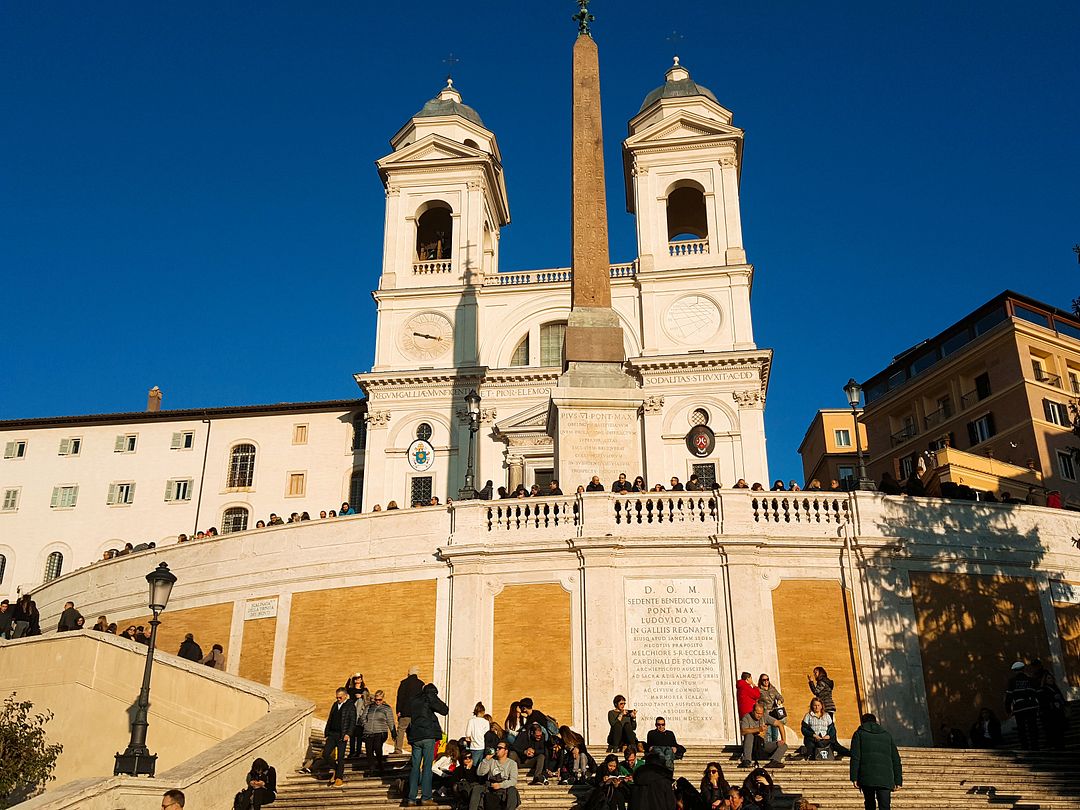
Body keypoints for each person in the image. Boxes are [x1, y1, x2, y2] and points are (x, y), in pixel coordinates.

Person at [406, 682, 449, 806]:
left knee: (415, 767)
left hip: (415, 737)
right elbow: (444, 710)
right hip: (427, 736)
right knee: (427, 767)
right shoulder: (430, 696)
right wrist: (434, 697)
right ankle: (426, 797)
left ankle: (411, 798)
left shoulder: (414, 700)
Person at [849, 713, 902, 810]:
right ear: (875, 721)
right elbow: (896, 759)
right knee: (885, 806)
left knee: (869, 804)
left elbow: (855, 757)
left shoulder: (859, 734)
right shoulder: (887, 735)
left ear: (863, 722)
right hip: (885, 777)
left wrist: (854, 777)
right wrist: (898, 780)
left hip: (866, 776)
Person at [323, 687, 357, 788]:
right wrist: (327, 731)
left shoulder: (350, 706)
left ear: (345, 696)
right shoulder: (335, 705)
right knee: (325, 754)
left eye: (340, 698)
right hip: (332, 734)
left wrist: (348, 734)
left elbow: (352, 721)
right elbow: (330, 718)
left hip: (342, 735)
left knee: (341, 757)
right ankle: (337, 769)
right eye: (337, 697)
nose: (338, 699)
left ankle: (339, 778)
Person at [739, 702, 787, 769]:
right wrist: (758, 729)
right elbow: (743, 731)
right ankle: (747, 760)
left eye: (761, 714)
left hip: (763, 745)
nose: (759, 715)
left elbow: (780, 724)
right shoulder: (746, 718)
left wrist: (783, 740)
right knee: (749, 735)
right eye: (757, 713)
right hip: (752, 746)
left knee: (783, 745)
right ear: (753, 711)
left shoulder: (764, 717)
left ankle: (775, 761)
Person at [1004, 660, 1040, 750]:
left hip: (1019, 708)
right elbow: (1036, 693)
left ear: (1014, 671)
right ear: (1023, 669)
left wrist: (1008, 709)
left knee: (1021, 729)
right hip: (1032, 706)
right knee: (1033, 727)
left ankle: (1025, 747)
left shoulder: (1012, 681)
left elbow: (1009, 696)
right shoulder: (1031, 680)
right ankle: (1035, 747)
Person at [474, 741, 520, 810]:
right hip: (491, 787)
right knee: (477, 788)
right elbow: (480, 773)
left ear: (506, 751)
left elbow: (513, 781)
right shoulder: (491, 761)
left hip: (504, 788)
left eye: (500, 748)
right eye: (497, 748)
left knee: (512, 790)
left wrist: (500, 785)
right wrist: (486, 760)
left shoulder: (512, 763)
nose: (497, 749)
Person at [363, 689, 397, 775]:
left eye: (380, 700)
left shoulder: (386, 708)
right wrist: (365, 724)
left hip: (381, 731)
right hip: (369, 731)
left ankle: (380, 765)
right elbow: (363, 716)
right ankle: (372, 768)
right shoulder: (369, 707)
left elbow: (390, 721)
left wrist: (393, 732)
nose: (377, 701)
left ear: (383, 699)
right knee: (369, 750)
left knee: (378, 748)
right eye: (376, 699)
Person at [396, 666, 425, 753]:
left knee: (401, 730)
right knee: (414, 732)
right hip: (416, 713)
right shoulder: (421, 684)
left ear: (409, 673)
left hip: (405, 712)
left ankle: (398, 749)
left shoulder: (404, 683)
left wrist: (398, 710)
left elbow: (400, 697)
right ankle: (415, 750)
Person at [1038, 670, 1068, 749]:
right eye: (1048, 678)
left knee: (1060, 733)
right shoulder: (1043, 690)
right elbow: (1043, 703)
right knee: (1055, 733)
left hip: (1059, 714)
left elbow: (1061, 699)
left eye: (1051, 678)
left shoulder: (1055, 688)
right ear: (1045, 680)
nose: (1051, 680)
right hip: (1051, 715)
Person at [756, 675, 785, 744]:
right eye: (764, 680)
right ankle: (769, 748)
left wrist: (779, 700)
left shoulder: (772, 689)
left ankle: (774, 747)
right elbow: (756, 702)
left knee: (775, 733)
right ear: (761, 681)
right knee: (768, 733)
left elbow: (780, 697)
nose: (766, 681)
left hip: (774, 713)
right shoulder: (758, 690)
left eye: (767, 679)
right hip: (765, 714)